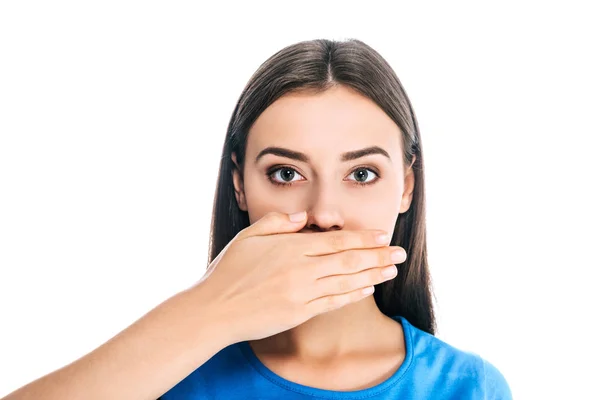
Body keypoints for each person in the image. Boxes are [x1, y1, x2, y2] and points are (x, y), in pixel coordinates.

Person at [2, 38, 512, 400]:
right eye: (287, 173)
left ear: (406, 186)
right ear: (240, 184)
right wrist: (207, 311)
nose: (324, 214)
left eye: (361, 174)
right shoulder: (164, 377)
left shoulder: (469, 387)